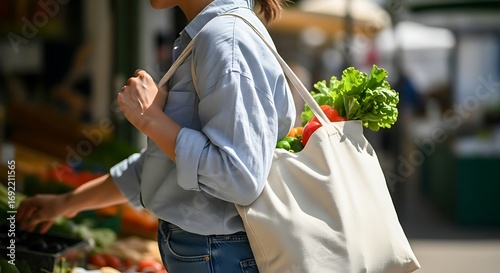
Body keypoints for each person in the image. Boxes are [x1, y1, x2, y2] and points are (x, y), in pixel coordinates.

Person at [17, 0, 295, 272]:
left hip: (216, 255)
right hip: (210, 253)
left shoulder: (225, 39)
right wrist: (66, 203)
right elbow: (166, 164)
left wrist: (150, 119)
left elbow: (238, 176)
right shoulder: (209, 35)